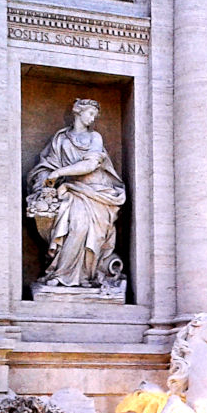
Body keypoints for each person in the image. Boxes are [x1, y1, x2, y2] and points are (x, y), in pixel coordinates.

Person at [26, 99, 126, 289]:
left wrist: (59, 173)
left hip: (97, 193)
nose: (93, 118)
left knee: (93, 236)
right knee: (76, 227)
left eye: (95, 115)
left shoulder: (95, 137)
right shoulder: (61, 139)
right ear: (78, 113)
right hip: (71, 191)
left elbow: (90, 165)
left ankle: (87, 276)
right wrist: (47, 179)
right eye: (90, 114)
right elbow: (46, 166)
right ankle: (61, 274)